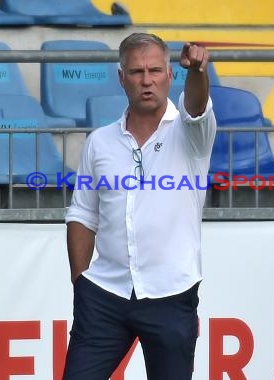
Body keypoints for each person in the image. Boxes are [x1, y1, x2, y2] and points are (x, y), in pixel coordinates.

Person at [63, 32, 217, 380]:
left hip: (171, 293)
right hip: (104, 295)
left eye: (155, 71)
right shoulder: (99, 142)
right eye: (136, 72)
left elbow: (196, 108)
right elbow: (82, 215)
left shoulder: (192, 134)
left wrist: (198, 71)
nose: (146, 80)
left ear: (170, 75)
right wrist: (81, 284)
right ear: (121, 78)